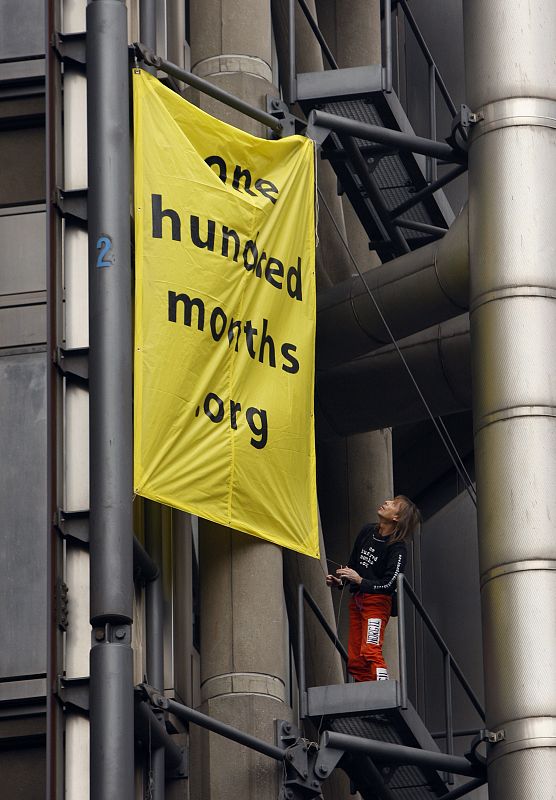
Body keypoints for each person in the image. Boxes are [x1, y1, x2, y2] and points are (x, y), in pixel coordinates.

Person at [326, 496, 420, 682]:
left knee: (371, 650)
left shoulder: (398, 548)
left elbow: (390, 584)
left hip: (377, 603)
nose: (386, 502)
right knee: (355, 660)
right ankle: (367, 699)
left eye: (393, 504)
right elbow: (354, 564)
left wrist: (360, 580)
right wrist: (341, 581)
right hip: (358, 600)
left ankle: (383, 691)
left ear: (397, 518)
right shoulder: (367, 531)